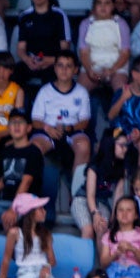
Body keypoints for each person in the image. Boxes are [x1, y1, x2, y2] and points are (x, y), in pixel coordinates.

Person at [29, 50, 94, 181]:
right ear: (55, 68)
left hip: (72, 131)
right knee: (34, 147)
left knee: (83, 145)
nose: (64, 70)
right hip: (48, 130)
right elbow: (35, 120)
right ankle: (32, 192)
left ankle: (77, 193)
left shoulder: (81, 92)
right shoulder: (45, 91)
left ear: (76, 70)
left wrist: (69, 128)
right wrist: (48, 128)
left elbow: (84, 121)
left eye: (68, 66)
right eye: (60, 65)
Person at [14, 0, 71, 89]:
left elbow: (65, 48)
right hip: (32, 62)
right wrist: (27, 60)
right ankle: (20, 106)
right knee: (14, 75)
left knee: (52, 79)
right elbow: (21, 48)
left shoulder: (59, 15)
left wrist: (50, 60)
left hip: (53, 62)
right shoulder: (25, 16)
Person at [0, 108, 41, 231]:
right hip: (5, 200)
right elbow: (2, 181)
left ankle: (10, 250)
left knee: (10, 224)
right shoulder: (6, 151)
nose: (16, 125)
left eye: (21, 122)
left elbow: (26, 182)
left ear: (28, 128)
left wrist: (13, 209)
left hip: (25, 203)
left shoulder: (34, 152)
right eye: (12, 122)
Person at [78, 129, 130, 241]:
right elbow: (90, 195)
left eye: (126, 146)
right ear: (110, 145)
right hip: (82, 200)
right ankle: (84, 258)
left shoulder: (122, 169)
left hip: (102, 202)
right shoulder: (95, 166)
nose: (125, 149)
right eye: (121, 145)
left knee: (102, 228)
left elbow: (118, 193)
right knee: (88, 230)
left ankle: (103, 259)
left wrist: (114, 214)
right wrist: (95, 213)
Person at [78, 0, 132, 93]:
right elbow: (83, 52)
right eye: (99, 3)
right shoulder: (86, 24)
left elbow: (125, 53)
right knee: (79, 92)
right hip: (92, 67)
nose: (103, 7)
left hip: (116, 68)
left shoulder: (121, 24)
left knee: (121, 93)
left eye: (107, 3)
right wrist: (89, 70)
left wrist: (112, 70)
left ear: (113, 5)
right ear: (94, 5)